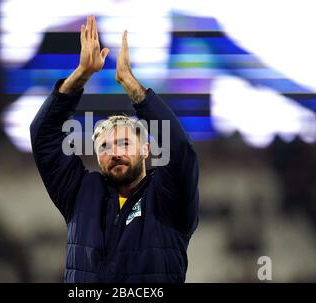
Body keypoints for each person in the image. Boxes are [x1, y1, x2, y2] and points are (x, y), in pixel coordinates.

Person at [30, 16, 199, 283]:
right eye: (105, 146)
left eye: (124, 143)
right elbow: (43, 136)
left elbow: (180, 149)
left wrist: (132, 87)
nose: (115, 152)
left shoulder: (169, 198)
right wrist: (81, 75)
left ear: (146, 149)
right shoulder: (79, 194)